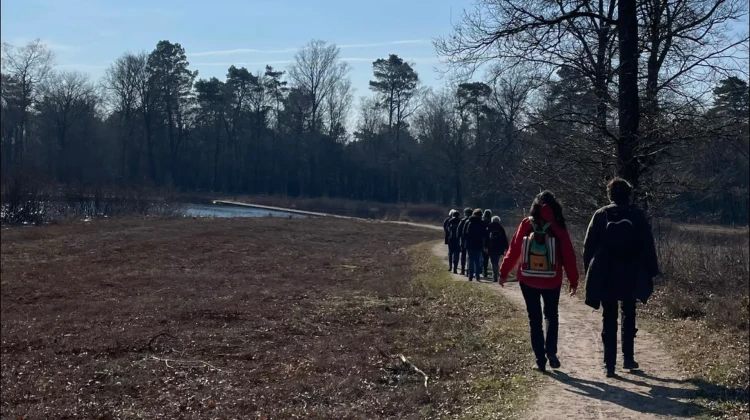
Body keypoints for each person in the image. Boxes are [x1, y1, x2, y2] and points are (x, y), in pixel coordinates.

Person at [583, 178, 659, 378]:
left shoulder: (600, 215)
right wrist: (652, 270)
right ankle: (628, 358)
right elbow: (647, 244)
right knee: (628, 312)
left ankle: (609, 365)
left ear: (610, 195)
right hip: (630, 271)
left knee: (608, 317)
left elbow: (588, 246)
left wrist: (589, 273)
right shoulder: (637, 215)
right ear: (628, 194)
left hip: (606, 273)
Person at [499, 191, 579, 372]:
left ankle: (539, 360)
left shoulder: (527, 223)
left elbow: (514, 249)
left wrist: (504, 272)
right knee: (551, 315)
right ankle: (551, 351)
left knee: (534, 319)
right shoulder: (558, 226)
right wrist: (573, 280)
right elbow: (568, 254)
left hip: (528, 279)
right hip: (552, 279)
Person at [464, 208, 486, 282]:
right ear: (481, 215)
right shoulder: (482, 223)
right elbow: (484, 235)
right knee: (477, 261)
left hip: (469, 244)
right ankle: (477, 277)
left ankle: (470, 276)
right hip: (478, 244)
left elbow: (464, 233)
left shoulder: (468, 222)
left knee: (470, 260)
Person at [486, 216, 509, 282]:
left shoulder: (489, 227)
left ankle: (495, 276)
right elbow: (504, 239)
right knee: (497, 261)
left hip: (491, 248)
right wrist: (507, 248)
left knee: (493, 262)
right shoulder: (501, 228)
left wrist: (485, 246)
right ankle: (496, 275)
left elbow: (486, 238)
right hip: (499, 248)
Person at [456, 207, 473, 276]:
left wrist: (458, 240)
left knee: (463, 256)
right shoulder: (473, 220)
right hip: (471, 241)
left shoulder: (463, 221)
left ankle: (463, 270)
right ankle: (469, 271)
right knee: (470, 256)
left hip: (463, 241)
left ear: (465, 213)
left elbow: (458, 231)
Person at [481, 209, 493, 278]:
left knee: (483, 258)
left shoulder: (482, 222)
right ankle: (488, 271)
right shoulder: (491, 222)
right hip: (490, 243)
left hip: (483, 242)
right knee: (487, 258)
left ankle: (484, 271)